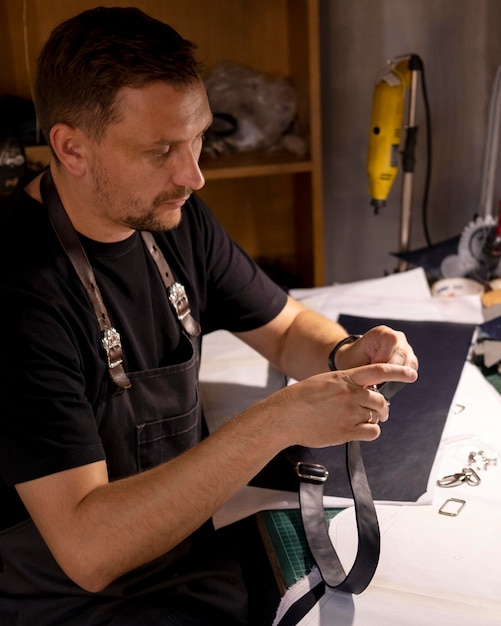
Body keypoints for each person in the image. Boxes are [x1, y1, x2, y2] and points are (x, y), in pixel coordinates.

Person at [0, 7, 418, 626]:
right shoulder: (19, 292)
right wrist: (274, 422)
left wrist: (347, 353)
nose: (193, 174)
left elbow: (285, 328)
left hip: (188, 559)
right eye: (162, 149)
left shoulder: (171, 215)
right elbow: (87, 549)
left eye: (196, 138)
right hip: (73, 604)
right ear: (71, 147)